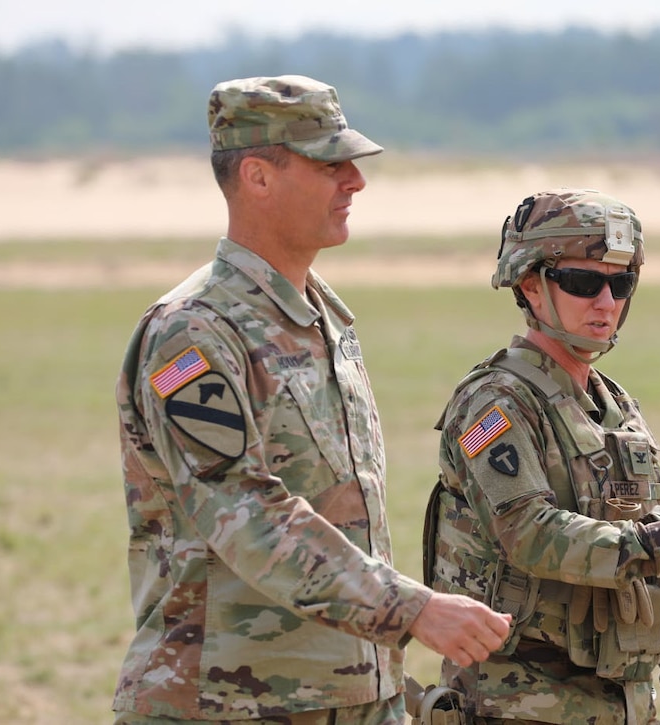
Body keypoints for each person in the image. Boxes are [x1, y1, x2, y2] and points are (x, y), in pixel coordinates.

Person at [112, 74, 511, 724]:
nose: (354, 181)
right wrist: (412, 608)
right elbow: (246, 513)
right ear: (258, 177)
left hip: (350, 695)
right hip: (227, 702)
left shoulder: (322, 318)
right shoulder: (193, 332)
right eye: (329, 163)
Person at [422, 188, 660, 724]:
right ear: (530, 287)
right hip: (517, 706)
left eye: (621, 283)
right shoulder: (492, 406)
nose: (606, 303)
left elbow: (645, 553)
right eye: (584, 282)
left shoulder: (613, 404)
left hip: (624, 706)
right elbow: (529, 534)